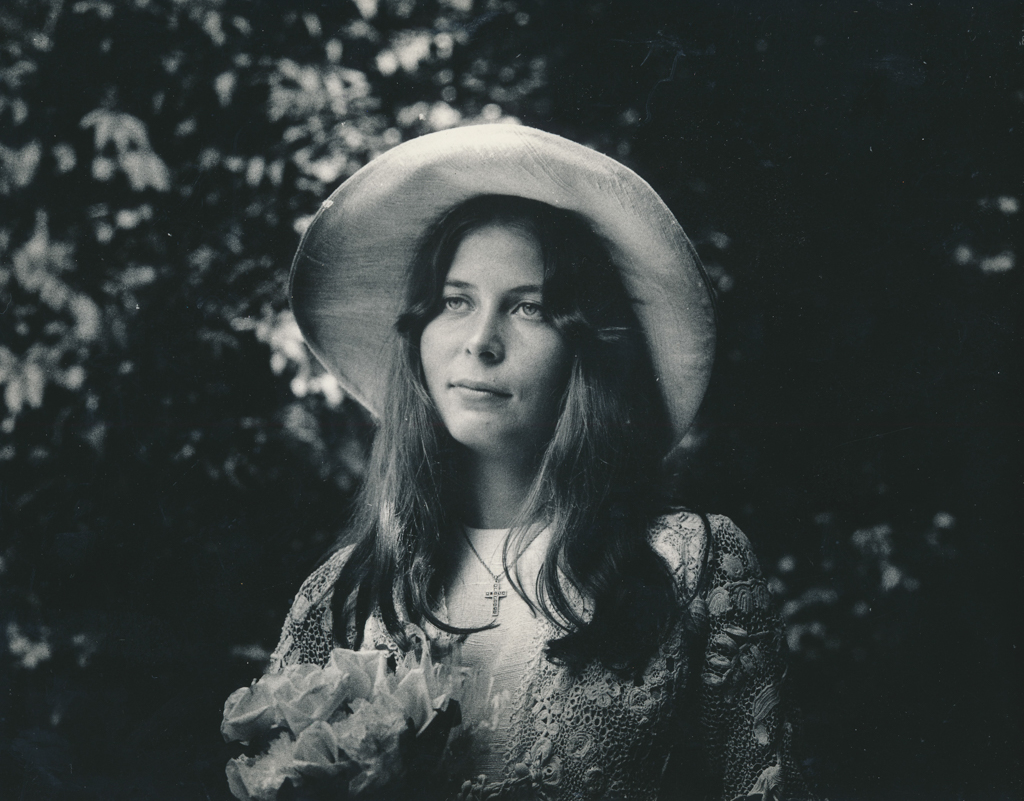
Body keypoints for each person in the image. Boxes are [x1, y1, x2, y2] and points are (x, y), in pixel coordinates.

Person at [269, 124, 815, 800]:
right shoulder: (345, 594)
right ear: (419, 330)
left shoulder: (690, 565)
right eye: (455, 301)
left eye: (528, 308)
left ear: (584, 348)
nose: (481, 342)